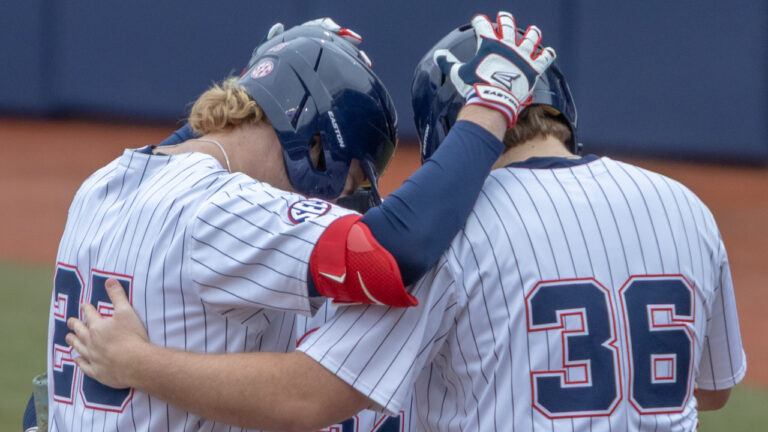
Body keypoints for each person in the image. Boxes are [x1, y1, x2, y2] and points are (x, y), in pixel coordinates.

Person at [50, 12, 556, 432]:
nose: (341, 199)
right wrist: (492, 106)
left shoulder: (105, 183)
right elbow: (388, 255)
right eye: (350, 177)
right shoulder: (220, 208)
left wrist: (279, 64)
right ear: (316, 145)